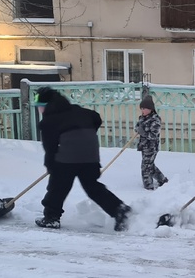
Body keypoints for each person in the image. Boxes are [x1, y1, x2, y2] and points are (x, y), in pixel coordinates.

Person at [33, 87, 132, 231]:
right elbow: (96, 117)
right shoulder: (78, 111)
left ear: (47, 106)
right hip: (90, 156)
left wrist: (50, 165)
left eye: (40, 106)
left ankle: (51, 218)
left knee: (58, 186)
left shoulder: (49, 121)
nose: (39, 110)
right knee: (92, 187)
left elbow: (50, 148)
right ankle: (120, 210)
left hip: (68, 157)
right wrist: (86, 134)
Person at [134, 95, 168, 190]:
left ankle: (148, 187)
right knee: (150, 165)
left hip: (151, 147)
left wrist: (143, 133)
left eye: (144, 108)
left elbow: (153, 136)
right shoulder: (142, 118)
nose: (142, 111)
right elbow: (137, 127)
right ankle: (162, 180)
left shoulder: (155, 120)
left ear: (150, 109)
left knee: (146, 167)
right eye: (141, 108)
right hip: (144, 146)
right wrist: (138, 128)